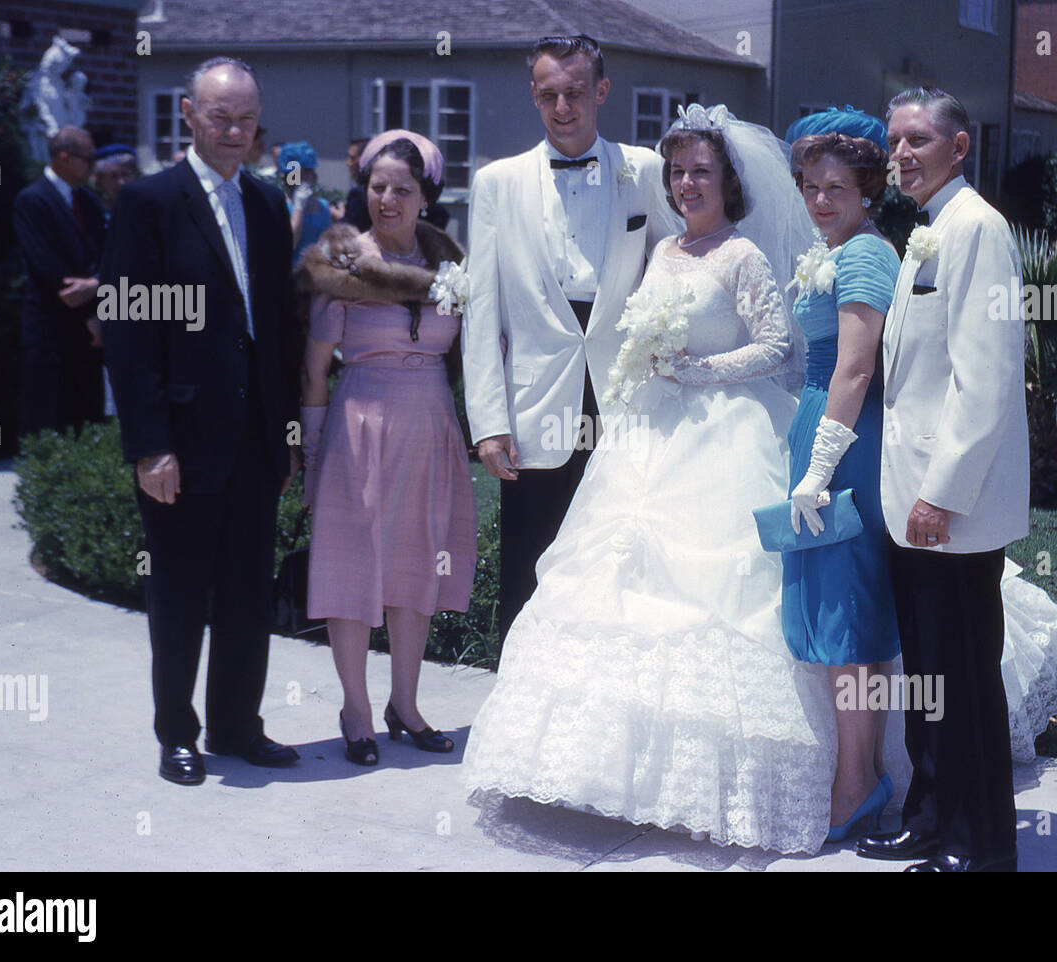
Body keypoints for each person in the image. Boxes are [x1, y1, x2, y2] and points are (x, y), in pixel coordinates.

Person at [463, 104, 868, 854]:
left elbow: (781, 348)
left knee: (713, 598)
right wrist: (652, 367)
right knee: (614, 581)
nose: (686, 184)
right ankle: (616, 775)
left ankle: (725, 778)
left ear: (728, 182)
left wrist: (698, 371)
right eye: (677, 172)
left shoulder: (742, 255)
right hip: (648, 434)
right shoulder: (665, 251)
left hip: (724, 436)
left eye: (701, 172)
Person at [101, 57, 303, 786]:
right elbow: (128, 333)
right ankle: (176, 734)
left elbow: (278, 329)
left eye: (246, 118)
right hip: (181, 443)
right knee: (180, 594)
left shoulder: (265, 204)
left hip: (254, 438)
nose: (234, 130)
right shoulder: (149, 204)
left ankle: (236, 726)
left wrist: (287, 436)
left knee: (250, 592)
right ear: (188, 113)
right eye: (220, 116)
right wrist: (150, 445)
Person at [856, 86, 1030, 872]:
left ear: (958, 147)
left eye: (918, 140)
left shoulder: (978, 229)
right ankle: (928, 820)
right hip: (911, 502)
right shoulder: (928, 230)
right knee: (929, 681)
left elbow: (986, 380)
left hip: (948, 509)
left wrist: (941, 493)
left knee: (961, 681)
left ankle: (979, 845)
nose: (901, 154)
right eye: (894, 140)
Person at [461, 34, 677, 642]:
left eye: (575, 93)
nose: (562, 108)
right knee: (531, 564)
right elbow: (482, 310)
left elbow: (676, 263)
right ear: (534, 95)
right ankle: (518, 710)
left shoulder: (645, 170)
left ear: (601, 91)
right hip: (534, 407)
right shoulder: (497, 182)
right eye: (549, 95)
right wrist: (488, 421)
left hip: (623, 400)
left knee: (615, 561)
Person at [296, 130, 477, 765]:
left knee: (417, 562)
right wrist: (313, 457)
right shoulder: (341, 264)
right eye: (377, 187)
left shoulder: (452, 267)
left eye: (403, 188)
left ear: (426, 196)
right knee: (351, 564)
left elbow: (475, 354)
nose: (388, 199)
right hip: (359, 428)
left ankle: (407, 702)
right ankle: (357, 710)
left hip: (429, 426)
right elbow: (315, 370)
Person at [781, 108, 902, 841]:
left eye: (835, 187)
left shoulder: (864, 255)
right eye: (810, 186)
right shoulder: (835, 247)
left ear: (865, 190)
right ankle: (855, 776)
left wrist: (821, 468)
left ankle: (859, 781)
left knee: (850, 615)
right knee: (834, 614)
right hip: (821, 428)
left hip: (846, 442)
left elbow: (857, 368)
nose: (821, 200)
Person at [12, 125, 107, 436]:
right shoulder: (33, 201)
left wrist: (97, 296)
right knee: (46, 417)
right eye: (88, 159)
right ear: (64, 158)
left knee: (86, 415)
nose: (93, 166)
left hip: (91, 330)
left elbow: (106, 256)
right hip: (49, 328)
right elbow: (49, 269)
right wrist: (88, 315)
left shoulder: (90, 203)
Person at [278, 140, 333, 267]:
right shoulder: (281, 205)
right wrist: (298, 207)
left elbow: (329, 245)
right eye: (298, 173)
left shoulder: (323, 206)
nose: (304, 177)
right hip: (290, 276)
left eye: (307, 172)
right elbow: (289, 245)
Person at [91, 144, 140, 215]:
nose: (121, 182)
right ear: (100, 182)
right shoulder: (93, 213)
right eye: (113, 176)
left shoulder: (148, 210)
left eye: (125, 174)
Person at [342, 137, 371, 231]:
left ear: (364, 160)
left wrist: (338, 215)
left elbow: (348, 229)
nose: (348, 163)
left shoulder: (358, 194)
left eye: (352, 158)